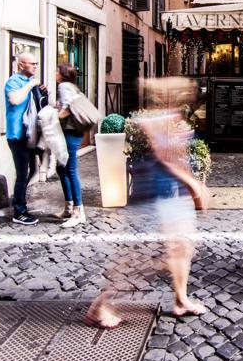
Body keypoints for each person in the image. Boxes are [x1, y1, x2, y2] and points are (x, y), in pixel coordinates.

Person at [85, 77, 209, 328]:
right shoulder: (155, 120)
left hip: (172, 195)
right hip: (154, 195)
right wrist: (194, 185)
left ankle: (181, 299)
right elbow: (166, 158)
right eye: (183, 91)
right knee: (139, 258)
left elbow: (179, 156)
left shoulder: (173, 118)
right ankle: (100, 305)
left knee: (183, 248)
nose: (189, 95)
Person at [4, 52, 47, 225]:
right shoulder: (13, 82)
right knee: (22, 174)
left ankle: (19, 199)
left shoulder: (31, 83)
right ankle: (19, 211)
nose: (35, 66)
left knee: (33, 171)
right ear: (21, 65)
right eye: (32, 64)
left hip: (30, 136)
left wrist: (43, 93)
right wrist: (30, 86)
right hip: (17, 135)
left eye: (36, 64)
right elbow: (15, 100)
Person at [55, 64, 86, 228]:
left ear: (62, 74)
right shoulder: (73, 87)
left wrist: (54, 118)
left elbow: (67, 109)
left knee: (70, 170)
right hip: (74, 132)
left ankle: (78, 211)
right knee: (61, 168)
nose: (54, 73)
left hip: (70, 132)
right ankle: (69, 206)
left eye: (56, 71)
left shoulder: (64, 86)